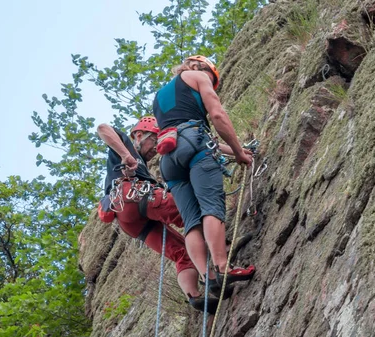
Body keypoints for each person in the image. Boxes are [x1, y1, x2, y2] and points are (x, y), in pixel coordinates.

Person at [96, 116, 229, 314]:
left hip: (129, 220)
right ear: (139, 135)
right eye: (154, 141)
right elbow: (103, 127)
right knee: (190, 212)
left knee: (182, 253)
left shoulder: (142, 167)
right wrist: (126, 155)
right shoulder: (126, 146)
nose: (155, 148)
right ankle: (221, 256)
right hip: (133, 195)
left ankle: (194, 296)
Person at [153, 55, 256, 289]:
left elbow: (188, 135)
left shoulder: (159, 97)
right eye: (212, 78)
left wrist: (238, 151)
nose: (210, 83)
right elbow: (217, 116)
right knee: (211, 205)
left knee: (191, 222)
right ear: (201, 67)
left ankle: (207, 277)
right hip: (195, 145)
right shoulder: (198, 76)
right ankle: (222, 267)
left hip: (169, 159)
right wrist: (240, 154)